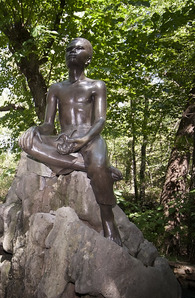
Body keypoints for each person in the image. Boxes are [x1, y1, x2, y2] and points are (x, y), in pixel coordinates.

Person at [18, 37, 123, 246]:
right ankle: (90, 168)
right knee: (27, 143)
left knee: (97, 160)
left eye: (79, 48)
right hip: (64, 137)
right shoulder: (56, 88)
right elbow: (48, 125)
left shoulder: (96, 85)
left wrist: (83, 139)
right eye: (69, 49)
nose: (73, 52)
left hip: (90, 136)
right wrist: (35, 129)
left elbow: (100, 119)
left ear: (89, 58)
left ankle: (108, 221)